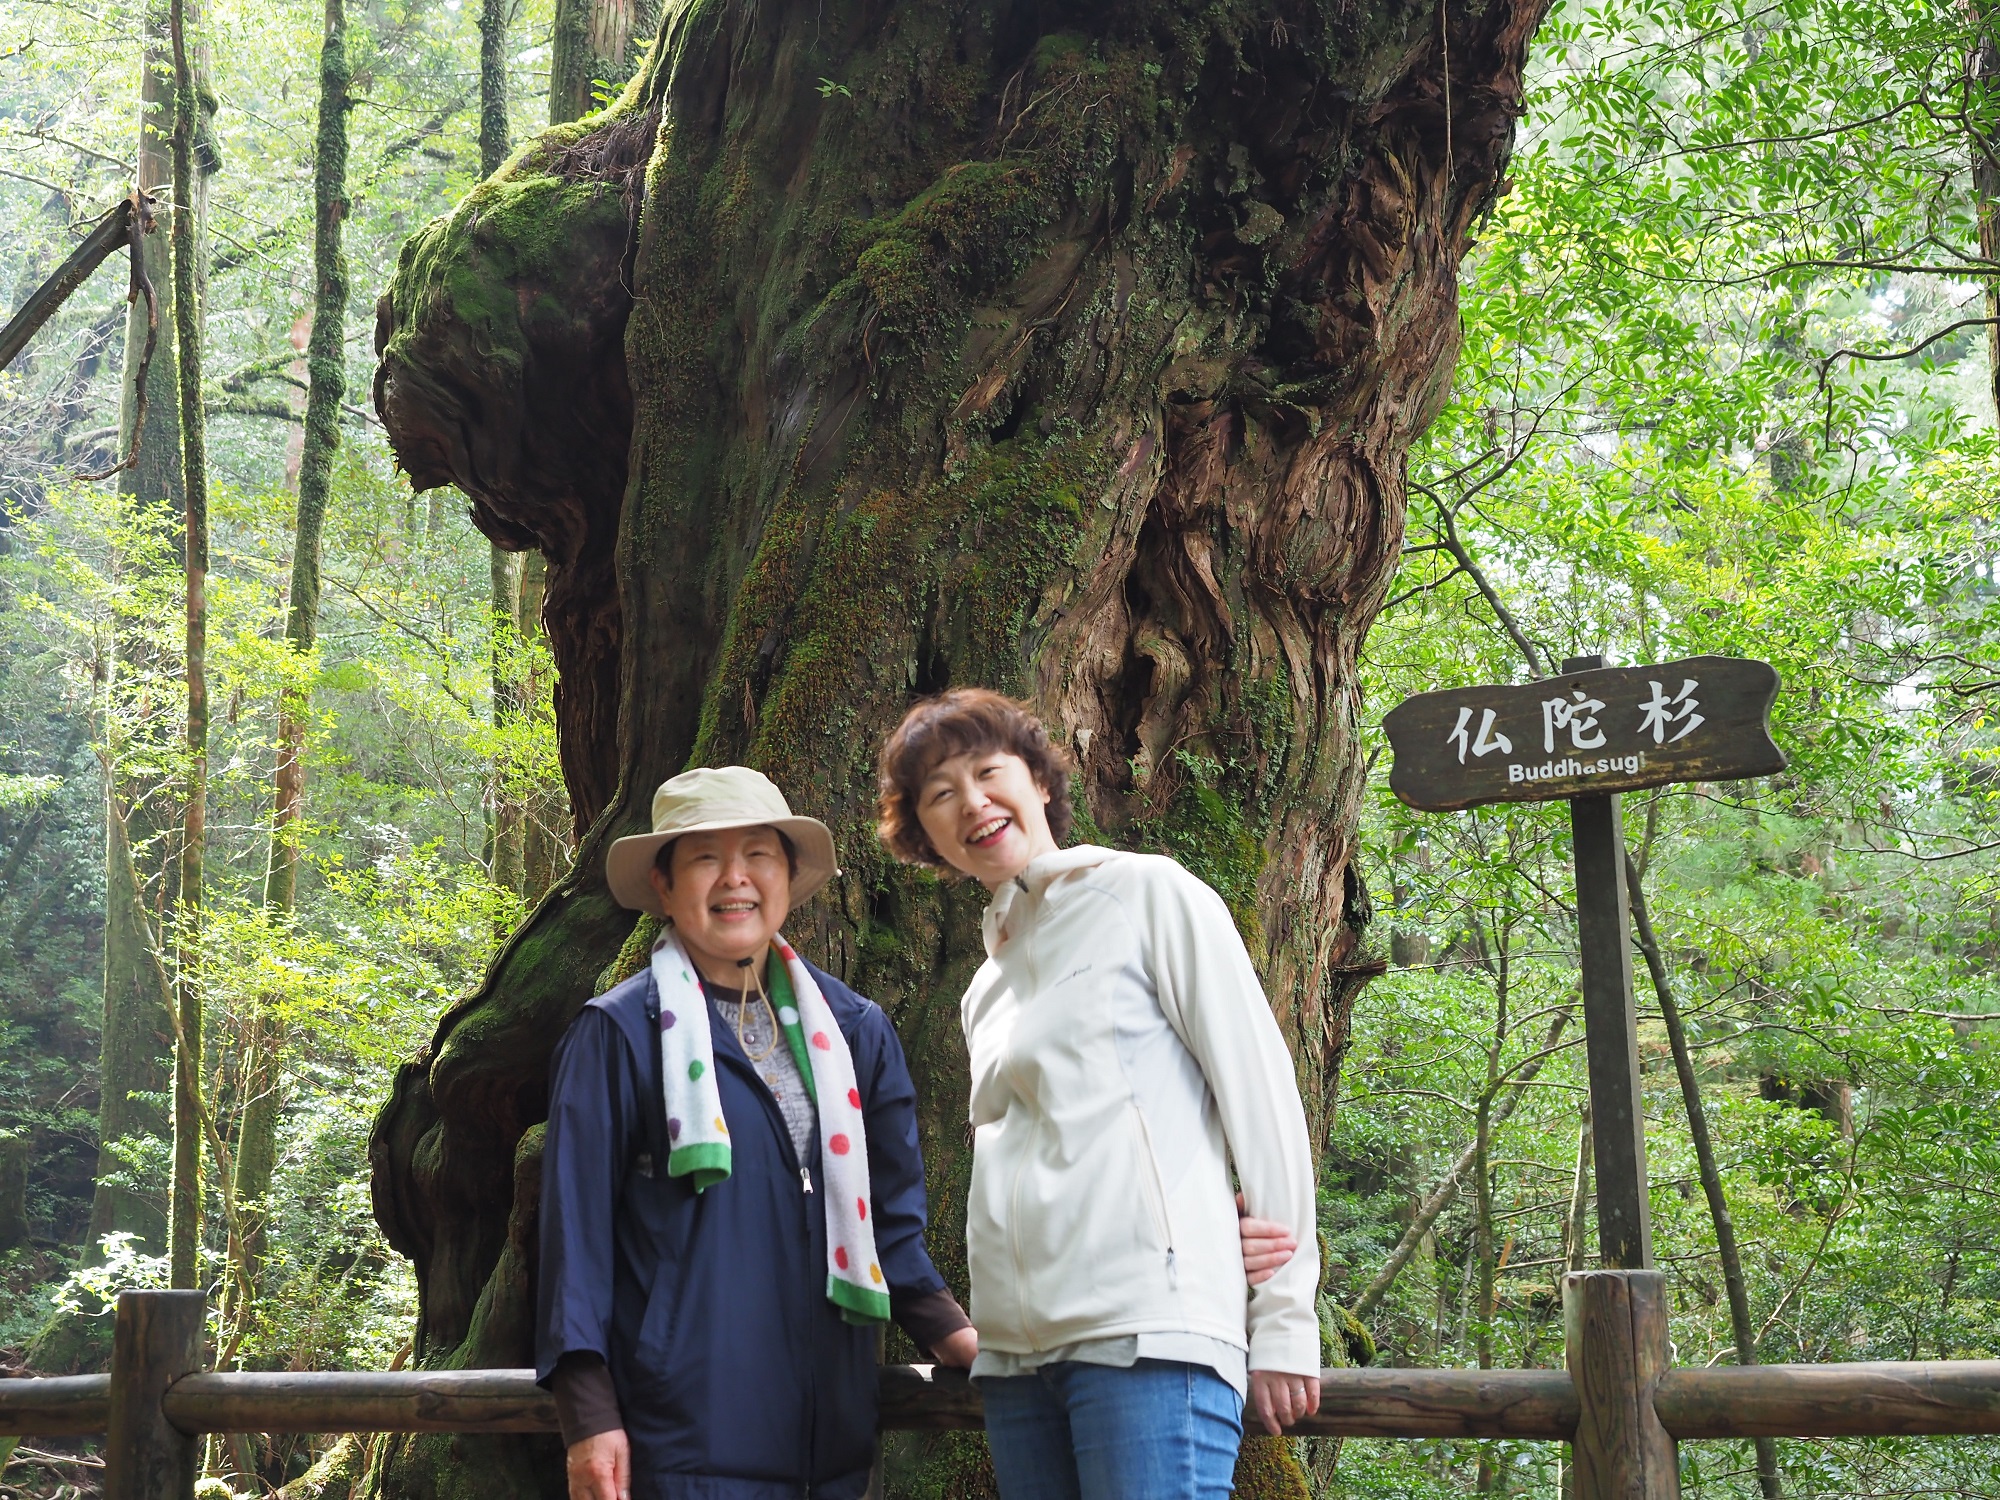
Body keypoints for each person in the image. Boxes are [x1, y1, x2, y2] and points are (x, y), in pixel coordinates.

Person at [877, 690, 1323, 1500]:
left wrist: (1285, 1318)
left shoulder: (1147, 894)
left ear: (1041, 781)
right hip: (1016, 1363)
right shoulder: (984, 988)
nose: (972, 801)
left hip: (1149, 1338)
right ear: (926, 838)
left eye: (988, 772)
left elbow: (1261, 1098)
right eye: (941, 794)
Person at [537, 766, 978, 1500]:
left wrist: (954, 1334)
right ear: (664, 885)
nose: (735, 878)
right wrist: (587, 1411)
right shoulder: (617, 1034)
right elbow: (573, 1239)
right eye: (705, 858)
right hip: (681, 1447)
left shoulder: (856, 1032)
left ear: (789, 875)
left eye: (758, 855)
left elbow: (890, 1227)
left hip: (831, 1448)